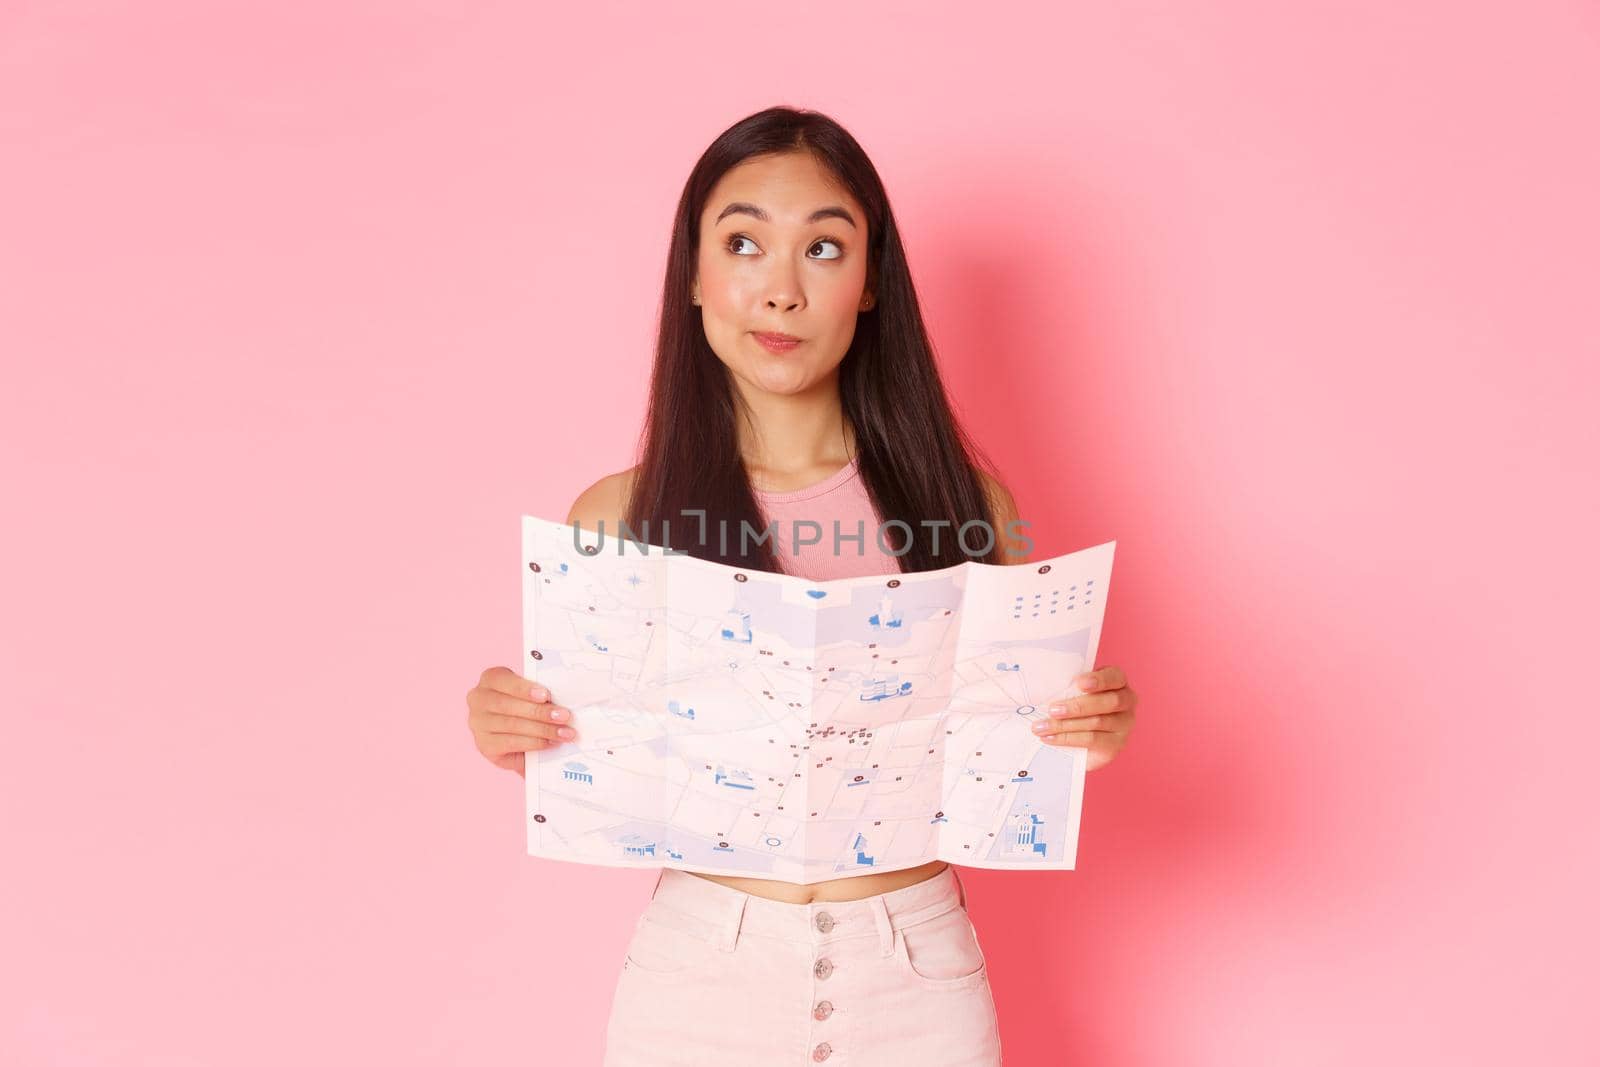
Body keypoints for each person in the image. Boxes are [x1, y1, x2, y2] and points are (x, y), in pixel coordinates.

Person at [465, 105, 1139, 1065]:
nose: (780, 290)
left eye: (824, 249)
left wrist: (1087, 727)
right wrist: (515, 725)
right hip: (699, 976)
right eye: (743, 243)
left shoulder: (967, 504)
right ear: (694, 276)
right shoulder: (618, 515)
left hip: (916, 975)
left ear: (870, 286)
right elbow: (593, 751)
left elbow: (1011, 747)